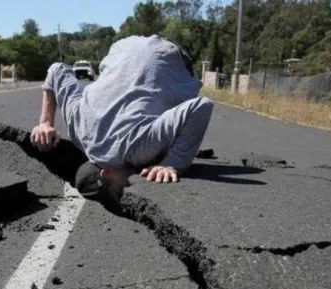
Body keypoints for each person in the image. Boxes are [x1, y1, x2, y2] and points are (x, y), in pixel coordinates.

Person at [30, 34, 214, 201]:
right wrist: (45, 123)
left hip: (171, 54)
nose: (128, 187)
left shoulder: (139, 149)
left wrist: (172, 164)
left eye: (120, 188)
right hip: (123, 47)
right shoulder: (78, 130)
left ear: (105, 172)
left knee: (172, 99)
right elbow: (56, 70)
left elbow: (202, 106)